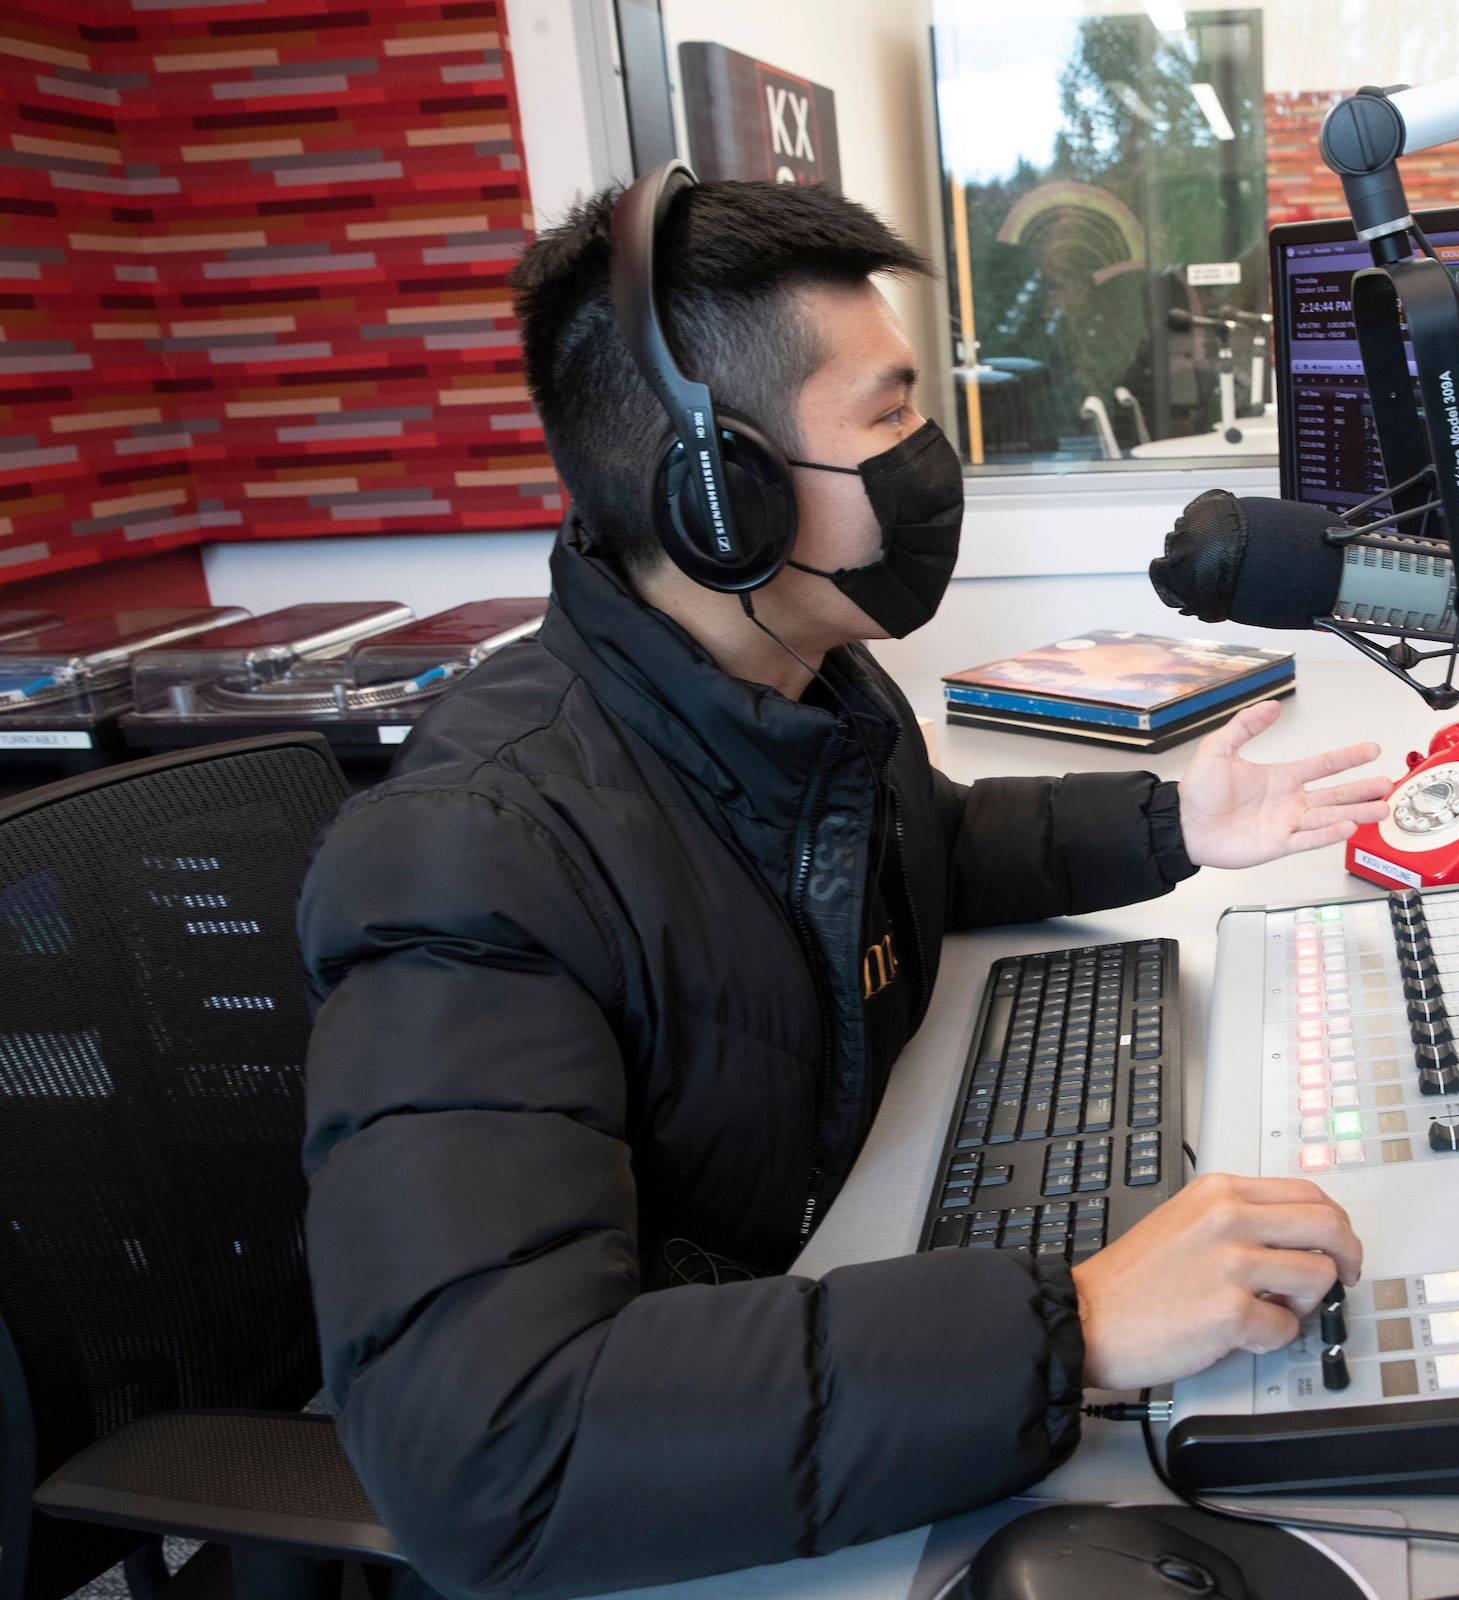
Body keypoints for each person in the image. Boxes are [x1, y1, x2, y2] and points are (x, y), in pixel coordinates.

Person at [296, 177, 1388, 1598]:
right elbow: (494, 1449)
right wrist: (1076, 1326)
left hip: (798, 1325)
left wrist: (1175, 823)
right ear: (721, 497)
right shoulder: (473, 852)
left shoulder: (800, 687)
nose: (928, 458)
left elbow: (919, 847)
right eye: (887, 416)